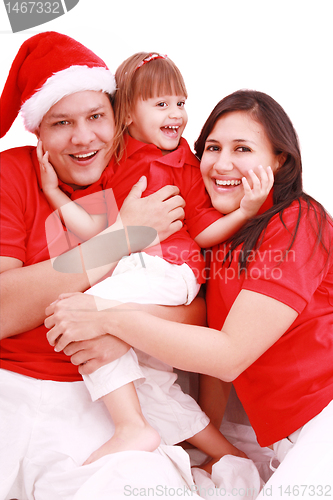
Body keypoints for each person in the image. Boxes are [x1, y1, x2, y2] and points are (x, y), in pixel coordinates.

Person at [46, 90, 333, 498]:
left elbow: (229, 355)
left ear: (279, 160)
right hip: (264, 436)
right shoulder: (215, 240)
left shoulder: (297, 221)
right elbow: (208, 358)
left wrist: (107, 316)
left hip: (321, 415)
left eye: (243, 148)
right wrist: (211, 446)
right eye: (213, 147)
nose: (222, 163)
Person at [39, 51, 273, 466]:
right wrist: (55, 193)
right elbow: (97, 231)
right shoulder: (115, 161)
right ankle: (230, 457)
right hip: (136, 268)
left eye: (180, 102)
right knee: (150, 383)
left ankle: (131, 428)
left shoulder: (183, 161)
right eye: (161, 104)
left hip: (170, 269)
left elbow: (201, 232)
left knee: (78, 314)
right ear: (128, 114)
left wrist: (245, 211)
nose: (176, 114)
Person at [0, 32, 207, 500]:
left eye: (96, 117)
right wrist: (122, 238)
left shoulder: (154, 176)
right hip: (7, 385)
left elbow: (197, 312)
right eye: (61, 123)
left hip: (101, 400)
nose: (82, 137)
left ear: (120, 117)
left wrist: (118, 323)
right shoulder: (11, 174)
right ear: (38, 132)